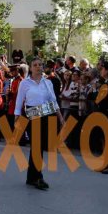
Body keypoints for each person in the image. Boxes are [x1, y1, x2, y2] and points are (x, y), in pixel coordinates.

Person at [14, 57, 65, 190]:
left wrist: (60, 118)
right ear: (30, 68)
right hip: (32, 114)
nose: (38, 67)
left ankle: (31, 177)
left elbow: (53, 101)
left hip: (46, 113)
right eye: (35, 65)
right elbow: (19, 100)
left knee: (39, 146)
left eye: (40, 65)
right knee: (37, 146)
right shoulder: (25, 83)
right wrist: (16, 117)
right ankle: (38, 177)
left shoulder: (47, 83)